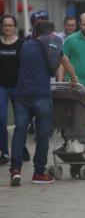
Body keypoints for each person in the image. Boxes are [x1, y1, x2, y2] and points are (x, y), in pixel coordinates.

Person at [9, 21, 77, 186]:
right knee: (42, 135)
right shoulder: (52, 46)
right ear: (49, 34)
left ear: (34, 33)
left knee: (20, 131)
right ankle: (38, 173)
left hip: (22, 96)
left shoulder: (24, 46)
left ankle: (15, 170)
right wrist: (74, 79)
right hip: (41, 96)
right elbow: (66, 62)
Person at [0, 15, 25, 165]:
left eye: (10, 25)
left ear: (14, 26)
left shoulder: (22, 44)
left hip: (18, 86)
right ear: (2, 26)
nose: (7, 28)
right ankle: (4, 151)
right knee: (1, 119)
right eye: (5, 25)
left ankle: (20, 149)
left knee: (21, 121)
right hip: (1, 87)